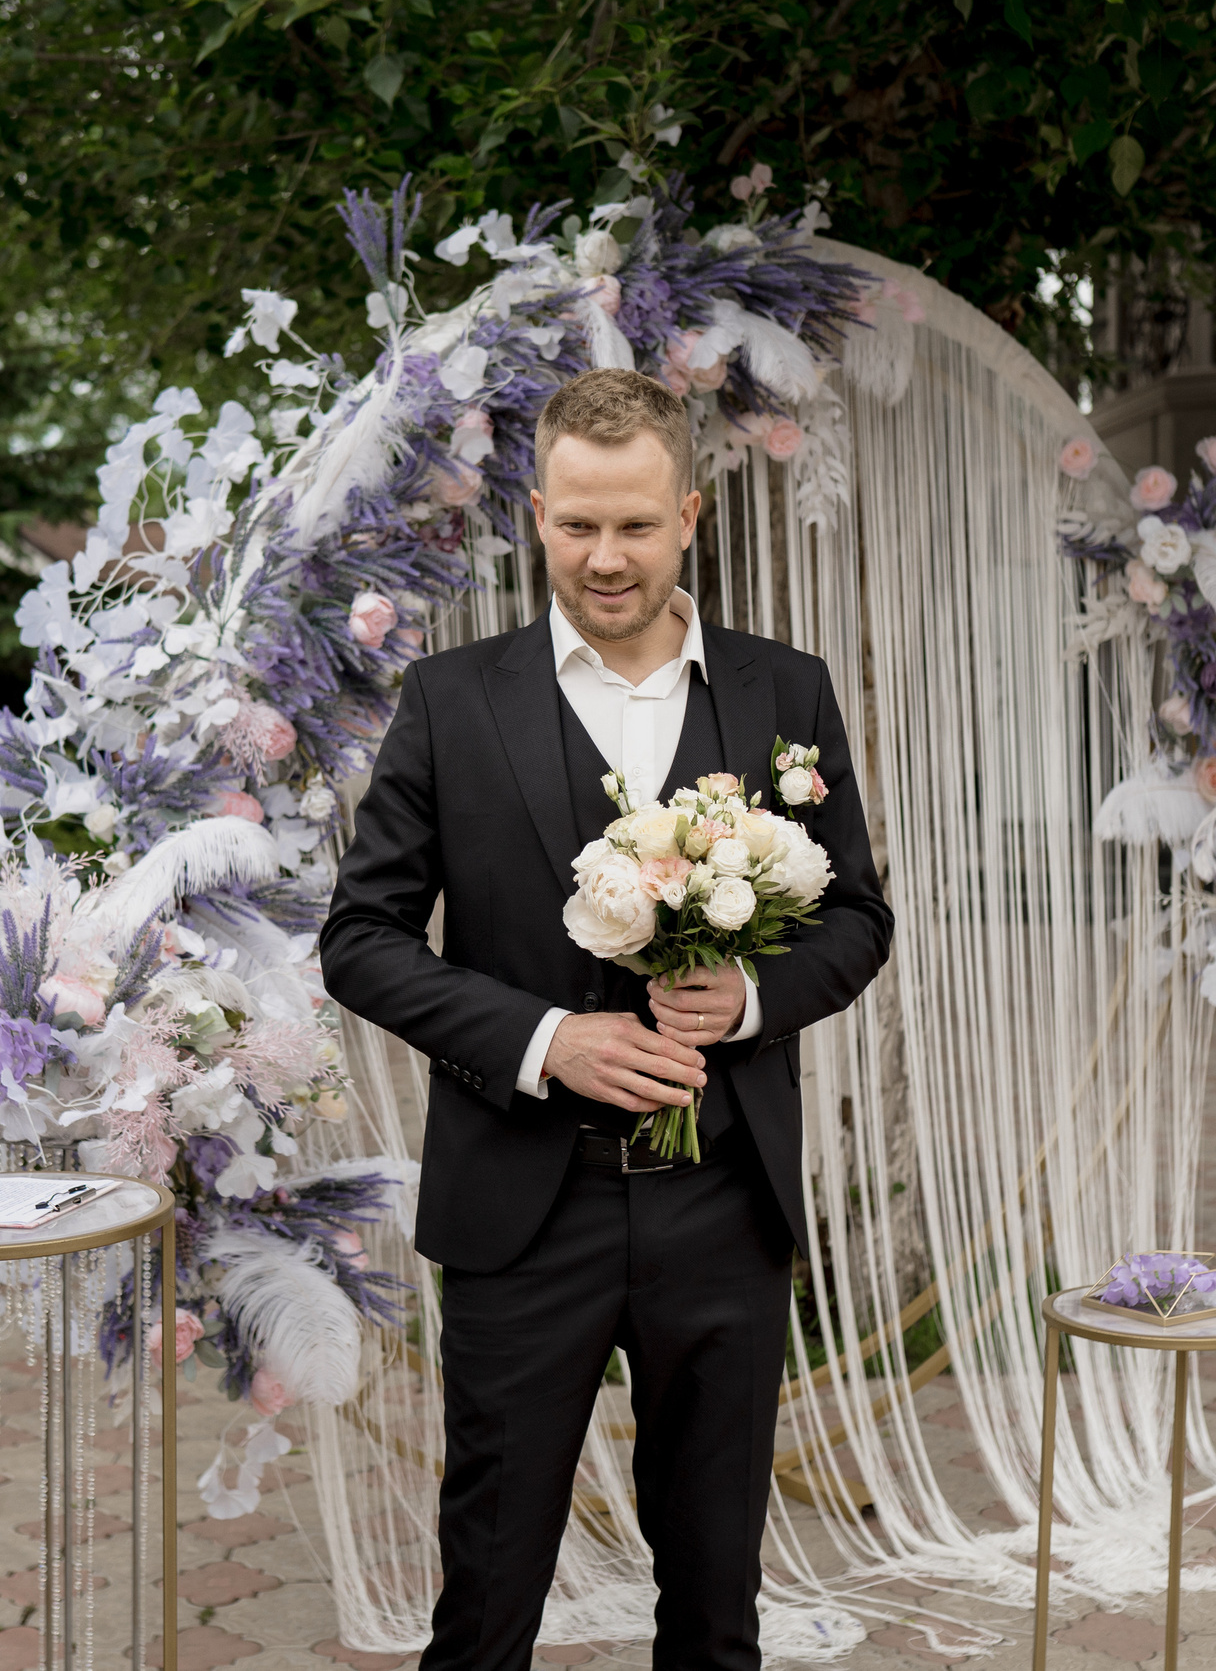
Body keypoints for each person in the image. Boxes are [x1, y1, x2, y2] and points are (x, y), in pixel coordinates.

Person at [321, 369, 893, 1671]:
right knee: (487, 1601)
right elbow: (358, 939)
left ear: (688, 512)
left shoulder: (783, 695)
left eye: (635, 523)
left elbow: (857, 916)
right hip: (525, 1209)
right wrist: (541, 1039)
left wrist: (751, 997)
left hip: (722, 1203)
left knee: (714, 1607)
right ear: (535, 513)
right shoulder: (455, 700)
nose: (606, 555)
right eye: (577, 524)